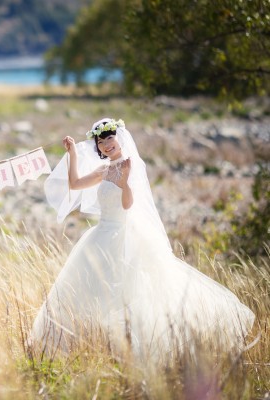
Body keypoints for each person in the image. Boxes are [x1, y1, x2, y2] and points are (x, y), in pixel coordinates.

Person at [31, 118, 255, 362]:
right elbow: (74, 184)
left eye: (109, 139)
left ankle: (129, 348)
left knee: (130, 291)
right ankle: (83, 344)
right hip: (100, 234)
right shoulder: (103, 170)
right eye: (101, 142)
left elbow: (128, 204)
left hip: (122, 233)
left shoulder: (129, 165)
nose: (106, 145)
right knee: (88, 289)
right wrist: (72, 152)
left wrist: (124, 182)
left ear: (119, 139)